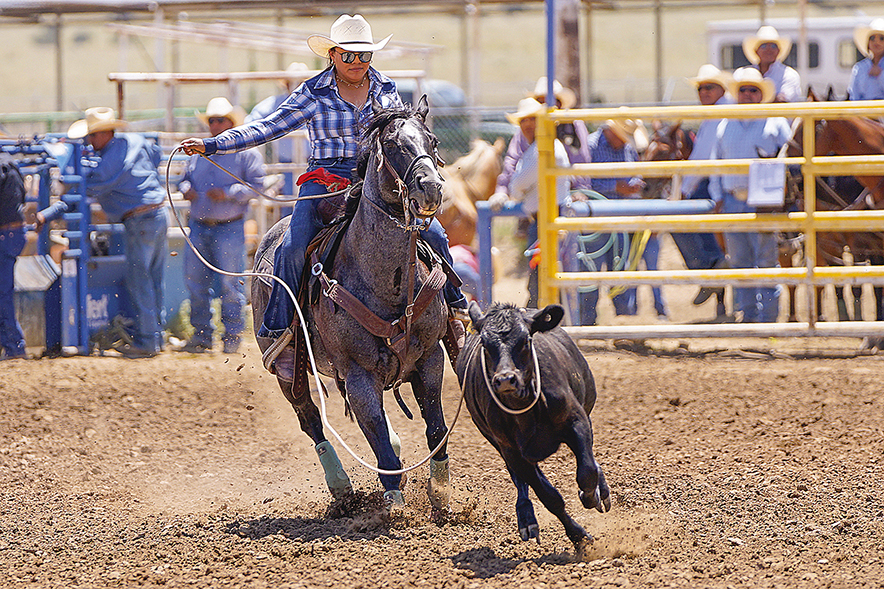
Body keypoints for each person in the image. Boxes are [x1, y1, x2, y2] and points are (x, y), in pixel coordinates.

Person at [179, 14, 467, 377]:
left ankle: (455, 312)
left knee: (435, 234)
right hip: (325, 179)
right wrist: (214, 144)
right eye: (349, 56)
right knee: (294, 242)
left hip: (375, 179)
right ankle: (279, 330)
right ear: (333, 55)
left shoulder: (385, 88)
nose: (357, 63)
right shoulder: (313, 93)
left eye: (363, 55)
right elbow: (268, 127)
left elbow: (398, 133)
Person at [68, 107, 168, 358]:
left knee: (139, 280)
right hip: (157, 214)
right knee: (153, 278)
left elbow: (95, 182)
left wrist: (72, 181)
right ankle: (157, 337)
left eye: (92, 136)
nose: (90, 142)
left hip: (139, 219)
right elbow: (156, 156)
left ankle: (147, 342)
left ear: (103, 133)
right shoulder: (136, 141)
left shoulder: (110, 158)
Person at [177, 97, 264, 355]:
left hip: (229, 225)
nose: (215, 125)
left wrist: (227, 193)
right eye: (212, 120)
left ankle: (232, 335)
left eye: (220, 120)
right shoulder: (198, 152)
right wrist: (185, 189)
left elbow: (257, 187)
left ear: (230, 122)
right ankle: (203, 335)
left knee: (230, 283)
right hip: (200, 224)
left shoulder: (245, 152)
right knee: (196, 281)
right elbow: (182, 179)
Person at [709, 68, 792, 323]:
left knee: (766, 258)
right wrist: (717, 195)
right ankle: (748, 313)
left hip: (764, 200)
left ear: (760, 95)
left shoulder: (775, 122)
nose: (747, 94)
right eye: (743, 90)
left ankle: (767, 316)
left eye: (752, 90)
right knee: (740, 260)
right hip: (733, 196)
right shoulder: (725, 124)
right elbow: (716, 163)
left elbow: (791, 158)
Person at [577, 115, 662, 324]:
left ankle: (625, 321)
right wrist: (617, 187)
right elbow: (582, 183)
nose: (625, 140)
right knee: (591, 272)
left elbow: (634, 173)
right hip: (595, 221)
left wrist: (633, 186)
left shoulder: (626, 148)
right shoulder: (590, 146)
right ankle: (588, 322)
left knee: (620, 271)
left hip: (620, 219)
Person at [491, 97, 571, 306]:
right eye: (523, 121)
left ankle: (538, 315)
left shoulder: (540, 151)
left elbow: (517, 185)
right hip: (549, 217)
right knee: (546, 275)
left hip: (546, 219)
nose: (527, 125)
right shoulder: (542, 148)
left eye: (532, 119)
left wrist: (516, 190)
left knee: (540, 276)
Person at [673, 64, 733, 314]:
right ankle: (712, 267)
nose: (704, 92)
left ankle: (709, 266)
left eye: (709, 87)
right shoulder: (715, 113)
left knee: (679, 220)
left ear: (721, 89)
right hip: (715, 179)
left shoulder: (720, 113)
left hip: (713, 180)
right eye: (701, 88)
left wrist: (684, 190)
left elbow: (704, 157)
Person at [0, 156, 27, 360]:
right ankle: (12, 345)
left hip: (5, 234)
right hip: (12, 233)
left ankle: (14, 346)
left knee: (2, 292)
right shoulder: (9, 164)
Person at [742, 25, 802, 102]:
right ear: (756, 51)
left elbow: (783, 101)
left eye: (773, 46)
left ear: (779, 51)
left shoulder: (789, 75)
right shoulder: (742, 73)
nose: (769, 49)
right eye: (763, 46)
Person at [848, 18, 884, 101]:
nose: (876, 42)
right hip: (864, 111)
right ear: (868, 43)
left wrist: (881, 75)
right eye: (872, 38)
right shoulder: (859, 68)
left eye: (882, 39)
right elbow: (854, 95)